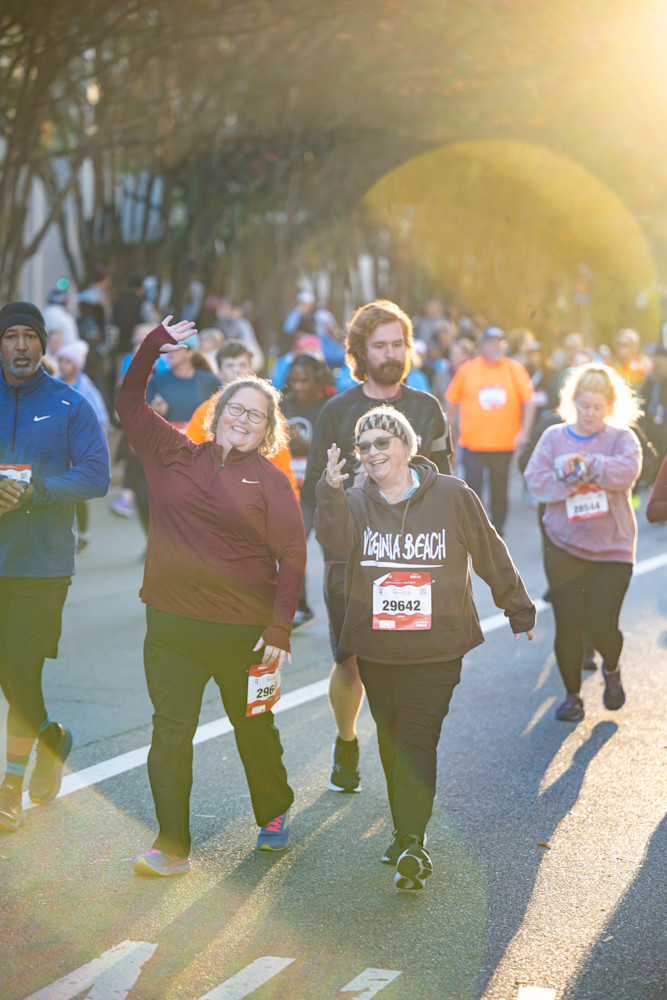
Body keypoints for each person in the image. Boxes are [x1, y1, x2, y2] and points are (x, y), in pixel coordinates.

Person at [115, 317, 306, 874]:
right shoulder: (171, 453)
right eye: (235, 409)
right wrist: (152, 345)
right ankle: (170, 844)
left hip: (245, 635)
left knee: (255, 728)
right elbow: (129, 402)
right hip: (171, 629)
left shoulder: (271, 482)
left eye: (256, 415)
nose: (243, 420)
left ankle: (273, 811)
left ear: (267, 430)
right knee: (170, 734)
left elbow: (292, 556)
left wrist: (279, 628)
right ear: (215, 415)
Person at [315, 406, 534, 890]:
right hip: (377, 647)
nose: (372, 453)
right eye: (364, 446)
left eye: (382, 442)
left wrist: (516, 606)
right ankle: (404, 830)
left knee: (416, 738)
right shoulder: (353, 500)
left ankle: (413, 839)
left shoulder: (452, 495)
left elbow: (487, 547)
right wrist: (329, 491)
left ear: (407, 445)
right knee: (392, 740)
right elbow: (333, 541)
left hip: (436, 647)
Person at [302, 299, 452, 795]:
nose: (391, 353)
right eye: (380, 345)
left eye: (398, 344)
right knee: (351, 663)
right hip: (349, 562)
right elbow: (313, 491)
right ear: (360, 352)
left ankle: (402, 768)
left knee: (407, 668)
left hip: (414, 562)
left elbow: (444, 489)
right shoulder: (337, 411)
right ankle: (347, 739)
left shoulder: (426, 409)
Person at [0, 301, 110, 833]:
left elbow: (96, 475)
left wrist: (36, 491)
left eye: (30, 337)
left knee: (20, 669)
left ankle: (9, 787)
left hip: (41, 565)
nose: (20, 346)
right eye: (10, 336)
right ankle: (53, 738)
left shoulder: (70, 405)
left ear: (45, 346)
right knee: (9, 674)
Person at [523, 364, 642, 722]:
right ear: (572, 402)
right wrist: (567, 479)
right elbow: (535, 481)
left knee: (602, 624)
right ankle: (572, 695)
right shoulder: (554, 437)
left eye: (597, 407)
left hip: (613, 547)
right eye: (584, 406)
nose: (590, 414)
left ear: (608, 406)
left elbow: (627, 471)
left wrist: (588, 463)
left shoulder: (622, 438)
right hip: (564, 544)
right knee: (569, 622)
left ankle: (612, 668)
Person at [445, 326, 536, 535]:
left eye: (499, 343)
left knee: (499, 489)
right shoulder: (468, 369)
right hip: (472, 443)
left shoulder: (514, 369)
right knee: (473, 487)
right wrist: (447, 432)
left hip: (503, 444)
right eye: (491, 343)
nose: (496, 347)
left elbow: (529, 401)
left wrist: (524, 432)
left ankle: (498, 529)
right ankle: (475, 528)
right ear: (481, 347)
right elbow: (451, 401)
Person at [281, 353, 336, 627]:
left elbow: (340, 448)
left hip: (325, 491)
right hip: (295, 492)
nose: (299, 386)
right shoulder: (282, 405)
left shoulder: (330, 407)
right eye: (295, 381)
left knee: (334, 552)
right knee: (292, 546)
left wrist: (305, 442)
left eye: (305, 380)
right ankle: (299, 606)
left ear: (318, 379)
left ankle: (341, 606)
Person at [55, 340, 110, 551]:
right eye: (60, 360)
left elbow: (100, 417)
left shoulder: (87, 388)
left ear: (77, 364)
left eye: (68, 361)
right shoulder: (53, 384)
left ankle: (83, 533)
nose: (63, 365)